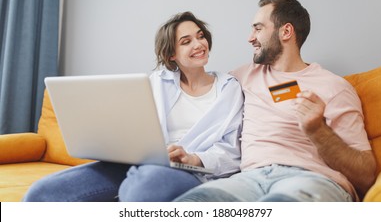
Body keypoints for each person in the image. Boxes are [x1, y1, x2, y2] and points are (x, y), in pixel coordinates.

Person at [23, 11, 244, 202]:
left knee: (143, 188)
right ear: (171, 54)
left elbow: (231, 150)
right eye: (186, 41)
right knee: (41, 192)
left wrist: (194, 158)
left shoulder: (228, 88)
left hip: (189, 171)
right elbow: (133, 126)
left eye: (200, 36)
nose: (199, 44)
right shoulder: (157, 81)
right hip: (137, 163)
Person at [174, 0, 376, 202]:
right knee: (189, 205)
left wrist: (318, 131)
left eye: (258, 29)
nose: (250, 37)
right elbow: (198, 92)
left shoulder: (333, 87)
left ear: (286, 32)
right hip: (248, 181)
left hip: (310, 179)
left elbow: (366, 176)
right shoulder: (241, 78)